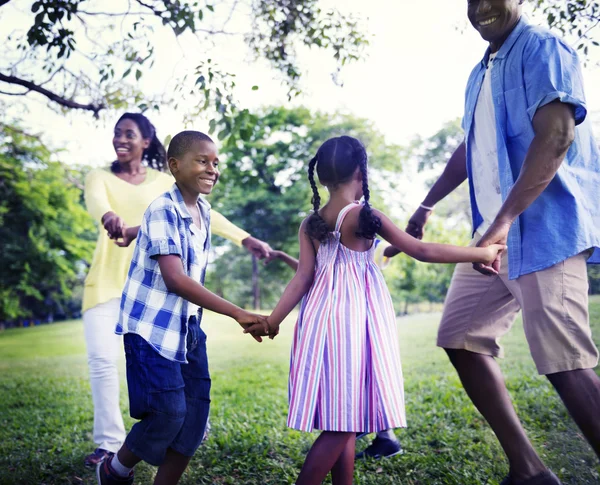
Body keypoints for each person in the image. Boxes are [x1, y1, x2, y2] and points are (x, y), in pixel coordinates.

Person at [405, 2, 600, 484]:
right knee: (461, 338)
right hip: (490, 237)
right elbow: (471, 148)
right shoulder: (480, 72)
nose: (483, 7)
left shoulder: (543, 48)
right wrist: (427, 205)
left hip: (541, 229)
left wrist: (504, 221)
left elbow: (556, 137)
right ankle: (529, 470)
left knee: (565, 363)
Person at [245, 135, 506, 485]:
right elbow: (422, 251)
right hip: (354, 322)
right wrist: (482, 253)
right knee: (341, 428)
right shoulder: (365, 217)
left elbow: (302, 278)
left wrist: (273, 321)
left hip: (320, 320)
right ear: (360, 171)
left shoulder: (310, 223)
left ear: (321, 177)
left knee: (345, 418)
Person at [82, 113, 272, 467]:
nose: (120, 139)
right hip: (120, 288)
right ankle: (109, 450)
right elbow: (99, 202)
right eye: (116, 133)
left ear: (146, 141)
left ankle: (151, 450)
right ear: (177, 163)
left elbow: (192, 214)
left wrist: (245, 238)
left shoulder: (166, 183)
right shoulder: (101, 177)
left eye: (129, 133)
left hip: (177, 310)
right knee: (105, 365)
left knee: (189, 410)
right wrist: (110, 217)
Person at [266, 244, 404, 459]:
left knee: (360, 389)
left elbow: (392, 249)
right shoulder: (325, 235)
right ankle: (381, 437)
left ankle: (385, 438)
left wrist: (411, 232)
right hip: (338, 315)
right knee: (348, 397)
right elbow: (311, 271)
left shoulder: (366, 235)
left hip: (356, 313)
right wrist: (283, 256)